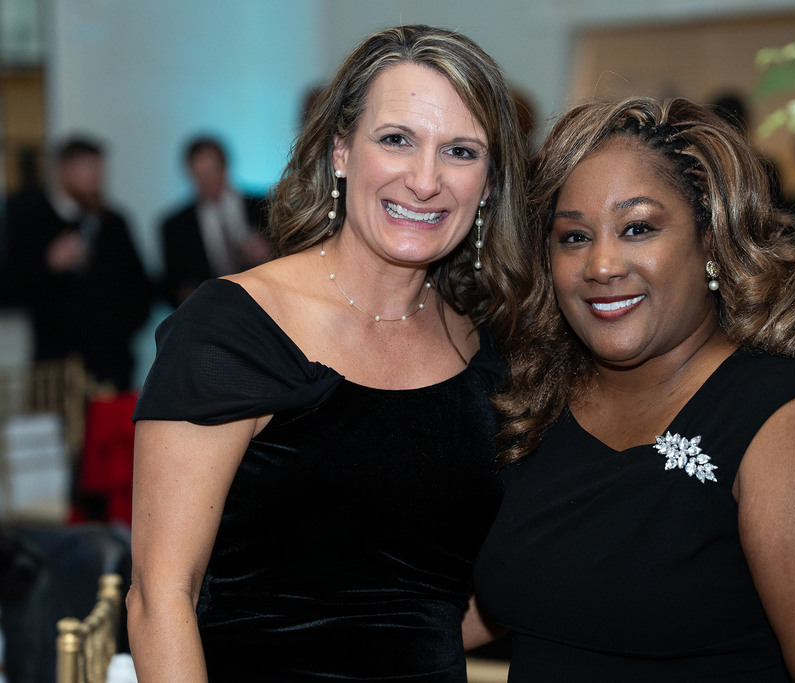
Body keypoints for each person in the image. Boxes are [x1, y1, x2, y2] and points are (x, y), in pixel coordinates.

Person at [127, 25, 527, 682]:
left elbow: (478, 593)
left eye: (460, 151)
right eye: (396, 140)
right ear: (341, 151)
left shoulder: (487, 351)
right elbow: (159, 597)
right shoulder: (234, 328)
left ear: (488, 185)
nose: (425, 180)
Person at [473, 97, 795, 681]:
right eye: (573, 237)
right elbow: (459, 608)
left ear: (711, 241)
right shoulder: (533, 403)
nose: (601, 264)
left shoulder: (791, 426)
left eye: (638, 228)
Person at [4, 136, 152, 390]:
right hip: (55, 365)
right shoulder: (29, 218)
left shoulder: (113, 222)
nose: (96, 178)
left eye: (99, 170)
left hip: (112, 362)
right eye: (88, 169)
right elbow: (9, 288)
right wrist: (48, 263)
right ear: (63, 170)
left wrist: (122, 330)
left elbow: (139, 286)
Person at [160, 136, 273, 307]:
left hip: (264, 303)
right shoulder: (175, 227)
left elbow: (289, 257)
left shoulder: (264, 206)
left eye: (211, 171)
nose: (207, 180)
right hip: (211, 311)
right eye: (200, 174)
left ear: (225, 166)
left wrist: (268, 253)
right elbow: (173, 287)